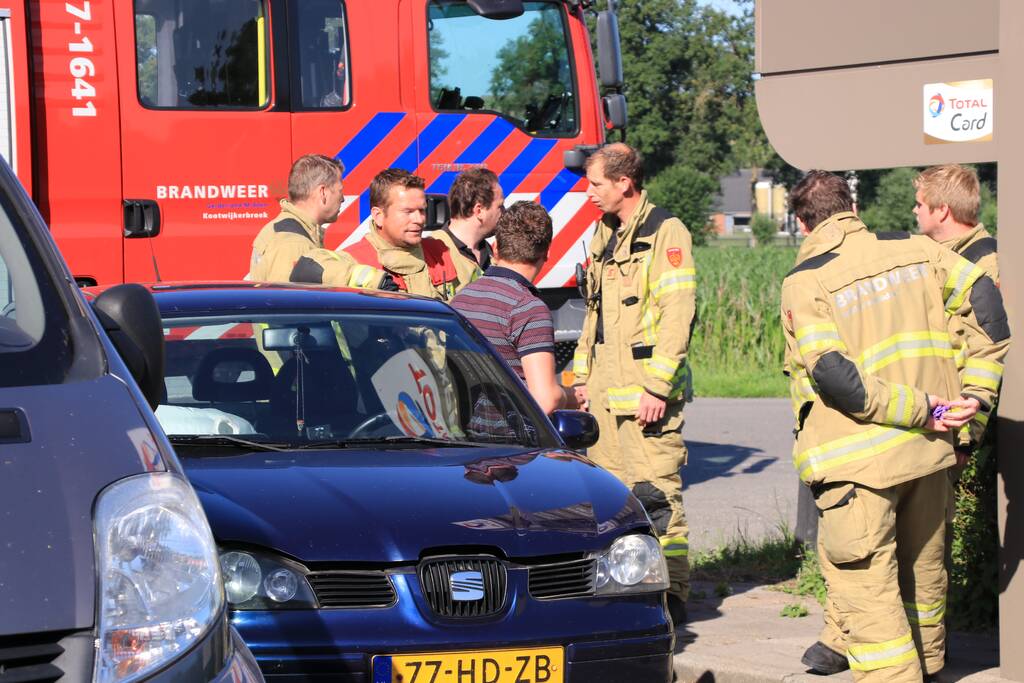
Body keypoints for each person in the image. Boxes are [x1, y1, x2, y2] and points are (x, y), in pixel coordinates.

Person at [783, 171, 1009, 681]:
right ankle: (928, 668)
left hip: (857, 467)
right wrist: (975, 396)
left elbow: (835, 377)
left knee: (869, 597)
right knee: (923, 579)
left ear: (803, 223)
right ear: (851, 208)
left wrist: (922, 408)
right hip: (928, 455)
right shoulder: (919, 250)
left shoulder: (805, 280)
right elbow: (987, 306)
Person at [571, 143, 695, 624]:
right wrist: (583, 376)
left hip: (645, 395)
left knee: (656, 497)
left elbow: (677, 315)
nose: (589, 193)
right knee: (610, 500)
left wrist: (658, 386)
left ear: (624, 183)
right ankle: (625, 590)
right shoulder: (605, 231)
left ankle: (674, 594)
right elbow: (594, 315)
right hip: (605, 395)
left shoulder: (666, 232)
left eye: (596, 183)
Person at [451, 201, 575, 414]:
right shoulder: (528, 309)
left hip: (464, 431)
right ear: (546, 253)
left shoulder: (460, 300)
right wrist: (570, 396)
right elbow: (545, 400)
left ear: (495, 248)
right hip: (510, 433)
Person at [248, 154, 386, 289]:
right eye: (340, 191)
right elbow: (288, 301)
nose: (343, 199)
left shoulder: (282, 229)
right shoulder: (294, 244)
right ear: (323, 192)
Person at [344, 168, 460, 300]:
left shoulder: (440, 252)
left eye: (422, 210)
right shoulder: (353, 262)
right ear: (378, 216)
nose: (419, 219)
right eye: (408, 212)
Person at [433, 167, 503, 287]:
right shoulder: (433, 253)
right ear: (479, 211)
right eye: (500, 206)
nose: (504, 212)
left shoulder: (490, 254)